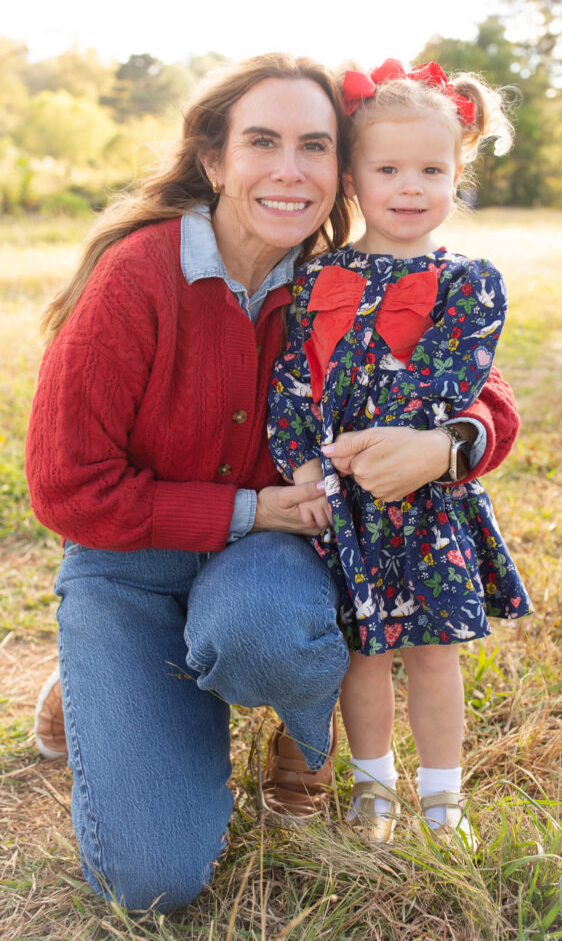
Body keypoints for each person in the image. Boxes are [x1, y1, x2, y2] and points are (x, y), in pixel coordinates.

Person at [26, 53, 522, 914]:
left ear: (340, 172)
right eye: (262, 142)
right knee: (150, 883)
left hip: (263, 560)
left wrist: (446, 445)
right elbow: (67, 490)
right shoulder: (137, 278)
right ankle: (107, 679)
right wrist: (251, 505)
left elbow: (485, 393)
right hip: (133, 563)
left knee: (270, 630)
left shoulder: (341, 274)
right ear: (214, 159)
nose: (290, 169)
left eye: (314, 146)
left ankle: (302, 737)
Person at [267, 59, 533, 848]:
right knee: (360, 656)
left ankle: (444, 799)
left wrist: (408, 446)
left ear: (458, 176)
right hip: (340, 504)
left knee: (430, 655)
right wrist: (303, 465)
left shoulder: (469, 281)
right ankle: (372, 789)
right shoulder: (315, 277)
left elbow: (451, 375)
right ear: (350, 179)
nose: (410, 186)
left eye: (432, 169)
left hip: (422, 499)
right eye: (388, 168)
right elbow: (291, 382)